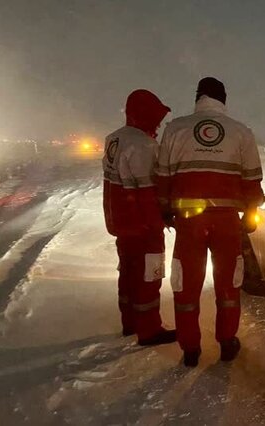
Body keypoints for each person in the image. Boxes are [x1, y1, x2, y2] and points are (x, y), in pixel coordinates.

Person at [156, 77, 263, 367]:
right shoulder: (242, 132)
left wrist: (166, 211)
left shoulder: (174, 129)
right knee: (229, 283)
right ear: (223, 100)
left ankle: (190, 349)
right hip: (227, 222)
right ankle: (227, 341)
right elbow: (252, 180)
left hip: (188, 222)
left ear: (198, 98)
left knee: (186, 284)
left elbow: (162, 178)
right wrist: (250, 215)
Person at [103, 89, 176, 346]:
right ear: (145, 115)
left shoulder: (113, 139)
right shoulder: (143, 145)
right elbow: (147, 193)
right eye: (155, 117)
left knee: (128, 273)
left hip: (121, 224)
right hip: (143, 226)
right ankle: (149, 330)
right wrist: (161, 221)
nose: (157, 124)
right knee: (149, 276)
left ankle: (130, 322)